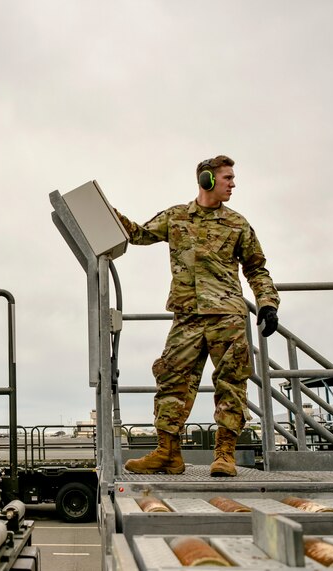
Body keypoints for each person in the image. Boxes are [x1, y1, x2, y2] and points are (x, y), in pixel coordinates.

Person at [115, 155, 280, 477]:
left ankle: (225, 456)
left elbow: (256, 267)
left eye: (232, 178)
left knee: (231, 384)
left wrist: (268, 303)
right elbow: (137, 234)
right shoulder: (176, 217)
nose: (233, 184)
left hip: (227, 317)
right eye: (227, 178)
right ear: (206, 179)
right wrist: (106, 212)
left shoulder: (237, 223)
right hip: (187, 316)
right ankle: (168, 454)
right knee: (170, 378)